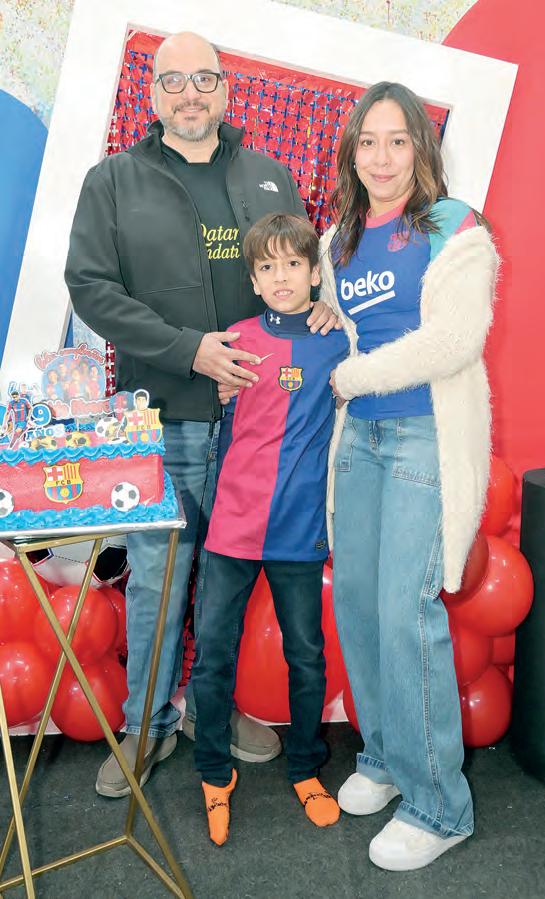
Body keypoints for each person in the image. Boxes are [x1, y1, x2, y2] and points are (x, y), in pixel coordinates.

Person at [64, 31, 337, 798]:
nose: (190, 94)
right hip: (166, 418)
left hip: (260, 427)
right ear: (153, 94)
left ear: (225, 89)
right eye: (174, 80)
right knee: (159, 580)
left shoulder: (268, 174)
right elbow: (90, 286)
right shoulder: (113, 180)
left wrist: (323, 309)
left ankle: (209, 710)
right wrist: (191, 351)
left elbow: (298, 274)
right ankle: (146, 724)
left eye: (204, 79)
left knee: (231, 581)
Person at [318, 82, 498, 870]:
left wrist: (352, 376)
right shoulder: (337, 239)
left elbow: (455, 339)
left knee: (403, 611)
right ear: (351, 151)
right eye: (367, 141)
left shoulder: (455, 226)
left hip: (424, 436)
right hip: (358, 441)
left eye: (397, 140)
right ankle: (387, 758)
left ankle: (438, 806)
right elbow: (336, 325)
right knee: (358, 605)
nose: (381, 157)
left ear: (420, 149)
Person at [192, 212, 348, 845]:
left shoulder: (337, 339)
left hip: (299, 528)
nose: (280, 277)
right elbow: (212, 410)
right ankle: (212, 772)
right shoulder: (234, 340)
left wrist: (336, 315)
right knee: (213, 653)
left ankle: (306, 768)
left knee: (305, 655)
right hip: (233, 524)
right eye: (267, 266)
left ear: (313, 273)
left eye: (292, 264)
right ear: (253, 279)